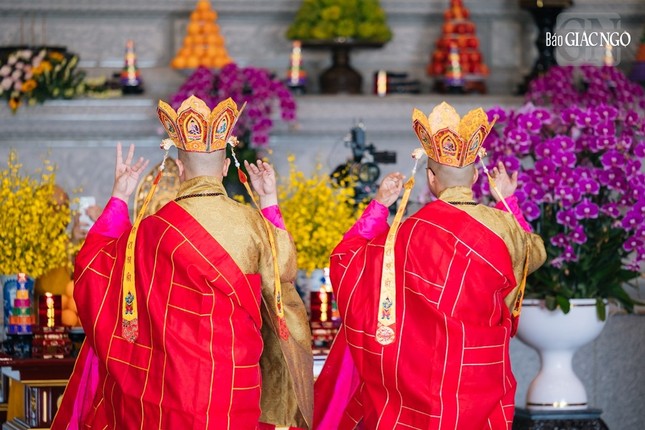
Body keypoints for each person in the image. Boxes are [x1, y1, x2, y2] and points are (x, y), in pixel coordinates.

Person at [52, 96, 312, 429]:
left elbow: (95, 270)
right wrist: (269, 201)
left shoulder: (152, 229)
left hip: (167, 390)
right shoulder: (252, 225)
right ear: (226, 167)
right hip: (234, 386)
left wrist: (119, 197)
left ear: (178, 167)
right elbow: (283, 272)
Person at [314, 102, 547, 429]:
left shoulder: (409, 232)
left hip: (419, 374)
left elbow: (347, 259)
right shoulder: (502, 227)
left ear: (430, 178)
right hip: (481, 367)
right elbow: (533, 252)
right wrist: (508, 202)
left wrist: (380, 206)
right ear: (476, 176)